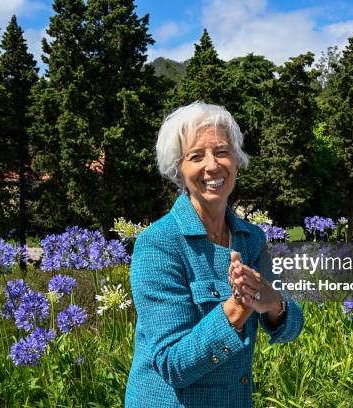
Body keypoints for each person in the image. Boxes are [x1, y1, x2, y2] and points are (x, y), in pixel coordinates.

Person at [125, 102, 304, 407]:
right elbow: (172, 364)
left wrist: (273, 302)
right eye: (196, 156)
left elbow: (291, 327)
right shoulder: (157, 244)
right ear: (178, 172)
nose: (212, 166)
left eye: (221, 151)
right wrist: (237, 307)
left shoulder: (251, 238)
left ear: (236, 160)